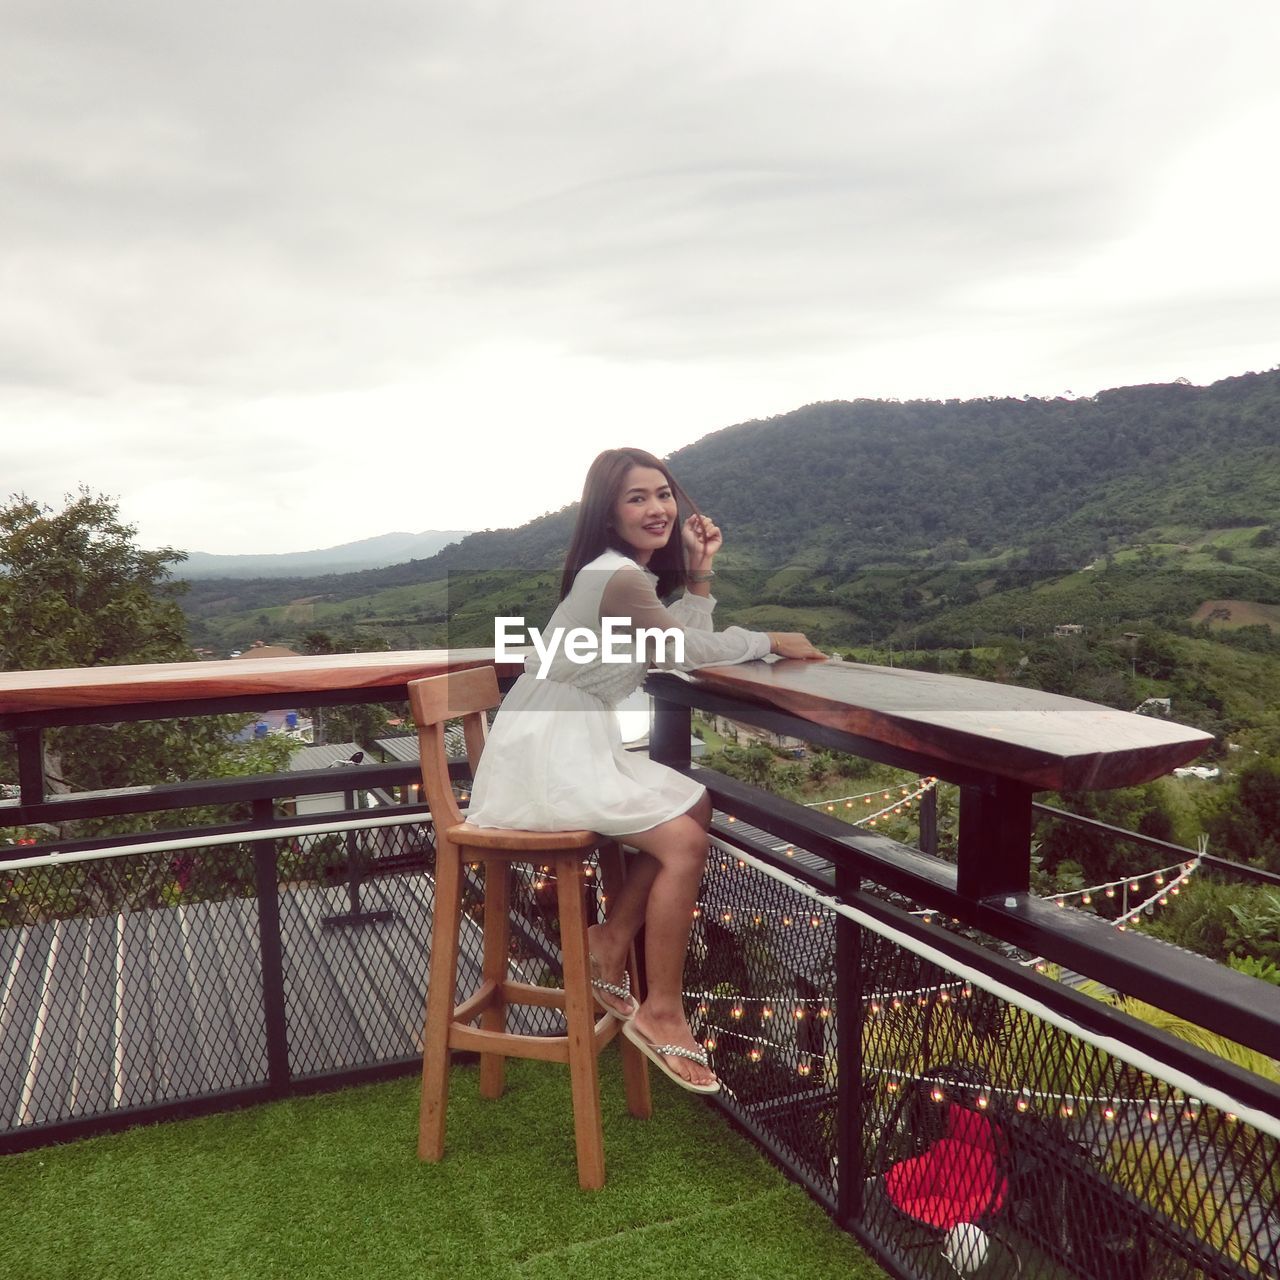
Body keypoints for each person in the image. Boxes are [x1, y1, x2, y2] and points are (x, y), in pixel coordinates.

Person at [466, 447, 826, 1092]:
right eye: (637, 498)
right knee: (684, 841)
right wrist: (769, 640)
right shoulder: (618, 578)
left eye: (663, 494)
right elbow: (682, 649)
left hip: (563, 737)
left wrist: (700, 576)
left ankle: (611, 938)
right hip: (551, 751)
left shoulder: (620, 578)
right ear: (608, 514)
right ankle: (662, 1010)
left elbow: (668, 647)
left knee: (692, 804)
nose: (658, 508)